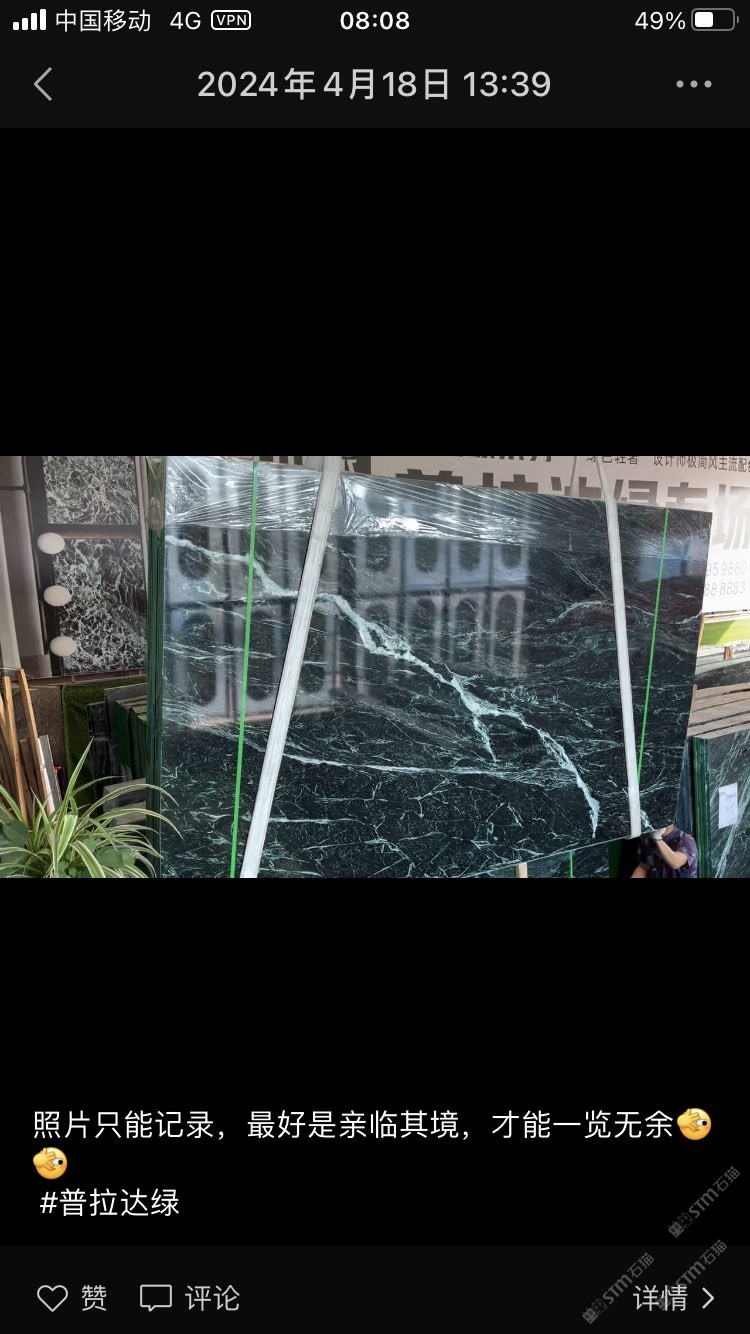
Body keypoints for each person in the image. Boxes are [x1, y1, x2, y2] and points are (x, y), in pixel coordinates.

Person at [631, 825, 698, 879]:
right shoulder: (648, 840)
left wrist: (657, 839)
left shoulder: (685, 840)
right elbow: (644, 867)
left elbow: (675, 863)